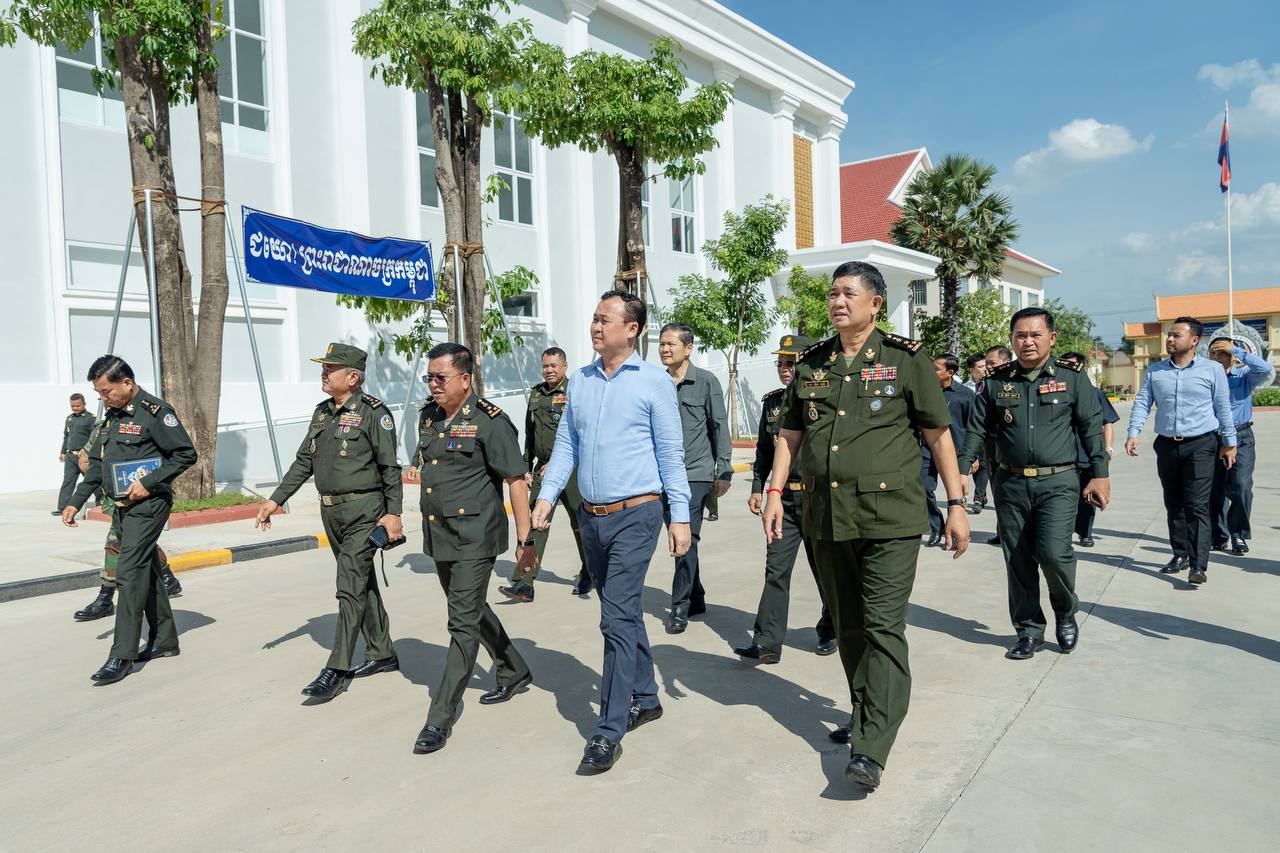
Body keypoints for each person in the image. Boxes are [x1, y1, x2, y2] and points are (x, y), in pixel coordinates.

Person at [762, 261, 969, 792]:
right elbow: (790, 434)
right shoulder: (813, 363)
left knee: (882, 626)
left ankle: (871, 747)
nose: (837, 301)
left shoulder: (905, 359)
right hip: (827, 517)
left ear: (875, 303)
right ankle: (865, 711)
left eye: (848, 293)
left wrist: (955, 503)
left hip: (890, 518)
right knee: (849, 626)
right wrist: (775, 491)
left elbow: (938, 434)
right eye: (833, 293)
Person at [534, 289, 692, 774]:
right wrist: (546, 495)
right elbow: (566, 445)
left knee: (615, 617)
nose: (596, 326)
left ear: (632, 328)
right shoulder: (581, 382)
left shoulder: (653, 382)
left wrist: (680, 516)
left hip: (637, 515)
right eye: (594, 318)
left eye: (605, 319)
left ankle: (609, 728)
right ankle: (646, 694)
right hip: (591, 517)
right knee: (620, 613)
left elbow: (671, 453)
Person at [255, 343, 403, 701]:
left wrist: (394, 513)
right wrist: (276, 499)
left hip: (364, 511)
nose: (323, 373)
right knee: (360, 582)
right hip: (331, 512)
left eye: (330, 368)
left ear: (352, 378)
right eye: (323, 367)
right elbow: (303, 462)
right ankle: (382, 652)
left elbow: (389, 467)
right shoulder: (322, 412)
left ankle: (336, 669)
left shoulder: (374, 413)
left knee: (348, 585)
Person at [959, 311, 1109, 661]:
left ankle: (1065, 610)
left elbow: (1091, 427)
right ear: (1012, 340)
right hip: (1010, 483)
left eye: (1035, 335)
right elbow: (977, 429)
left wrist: (1100, 474)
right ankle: (1029, 630)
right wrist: (962, 470)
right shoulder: (996, 382)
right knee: (1018, 559)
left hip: (1058, 481)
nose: (1027, 342)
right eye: (1020, 335)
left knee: (1054, 554)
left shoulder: (1072, 379)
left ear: (1051, 338)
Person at [411, 343, 537, 755]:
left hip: (476, 537)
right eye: (429, 377)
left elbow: (515, 481)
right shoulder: (429, 417)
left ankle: (440, 717)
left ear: (465, 380)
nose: (433, 384)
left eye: (440, 377)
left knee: (461, 624)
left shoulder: (490, 422)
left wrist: (525, 541)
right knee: (470, 609)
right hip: (441, 535)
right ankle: (513, 669)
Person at [61, 356, 197, 685]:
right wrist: (75, 502)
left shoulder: (155, 412)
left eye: (106, 391)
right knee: (146, 570)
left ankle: (122, 654)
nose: (103, 398)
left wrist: (148, 482)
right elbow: (97, 466)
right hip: (121, 506)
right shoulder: (112, 415)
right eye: (98, 393)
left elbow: (185, 453)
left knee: (128, 572)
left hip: (149, 504)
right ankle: (164, 640)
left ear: (127, 383)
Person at [734, 333, 835, 664]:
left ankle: (830, 628)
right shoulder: (773, 403)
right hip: (785, 501)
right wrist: (757, 487)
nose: (784, 368)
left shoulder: (827, 399)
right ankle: (767, 641)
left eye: (791, 362)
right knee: (776, 570)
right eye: (780, 363)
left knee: (826, 572)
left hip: (820, 500)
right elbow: (765, 451)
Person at [1126, 317, 1236, 585]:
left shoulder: (1212, 370)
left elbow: (1223, 407)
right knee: (1173, 503)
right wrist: (1133, 432)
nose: (1170, 339)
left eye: (1176, 335)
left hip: (1201, 444)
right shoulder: (1155, 371)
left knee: (1196, 505)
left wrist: (1229, 442)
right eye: (1169, 335)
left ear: (1194, 340)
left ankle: (1198, 565)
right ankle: (1180, 554)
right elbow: (1143, 402)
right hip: (1166, 445)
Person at [657, 322, 732, 633]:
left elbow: (719, 425)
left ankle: (680, 605)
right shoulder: (656, 382)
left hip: (695, 473)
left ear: (688, 349)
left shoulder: (706, 381)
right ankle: (696, 595)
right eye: (662, 344)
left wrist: (723, 469)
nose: (664, 349)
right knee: (684, 537)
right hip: (663, 474)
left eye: (671, 344)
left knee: (684, 536)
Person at [499, 347, 590, 602]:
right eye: (545, 366)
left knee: (580, 523)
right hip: (542, 469)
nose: (549, 370)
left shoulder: (576, 391)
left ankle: (589, 571)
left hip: (572, 468)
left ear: (564, 366)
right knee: (535, 522)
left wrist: (564, 461)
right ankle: (525, 581)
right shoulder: (537, 393)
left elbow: (584, 432)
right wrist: (525, 467)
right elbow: (530, 433)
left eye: (553, 366)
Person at [71, 417, 183, 621]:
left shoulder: (145, 422)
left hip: (144, 498)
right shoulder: (103, 427)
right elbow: (86, 460)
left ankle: (105, 598)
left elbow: (172, 457)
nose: (107, 402)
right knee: (136, 542)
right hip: (117, 500)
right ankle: (167, 577)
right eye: (103, 400)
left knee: (115, 544)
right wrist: (103, 471)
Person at [1207, 336, 1270, 555]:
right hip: (1213, 437)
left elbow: (1265, 369)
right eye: (1214, 353)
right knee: (1215, 489)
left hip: (1241, 436)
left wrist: (1236, 349)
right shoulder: (1205, 377)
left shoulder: (1244, 376)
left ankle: (1238, 534)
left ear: (1233, 357)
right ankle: (1219, 535)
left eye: (1224, 352)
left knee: (1241, 485)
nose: (1219, 357)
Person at [1057, 352, 1119, 548]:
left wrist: (1107, 448)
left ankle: (1085, 533)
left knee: (1087, 497)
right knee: (1063, 498)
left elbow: (1107, 422)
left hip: (1087, 454)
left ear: (1081, 368)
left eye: (1071, 365)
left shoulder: (1095, 393)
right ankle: (1063, 534)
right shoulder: (1056, 392)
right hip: (1062, 455)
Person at [920, 353, 975, 548]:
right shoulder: (925, 392)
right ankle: (936, 527)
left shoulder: (965, 395)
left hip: (957, 452)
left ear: (949, 373)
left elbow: (973, 427)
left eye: (936, 369)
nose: (931, 372)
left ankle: (958, 528)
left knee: (957, 494)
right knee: (924, 488)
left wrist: (974, 456)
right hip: (927, 449)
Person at [973, 345, 1012, 535]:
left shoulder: (1016, 382)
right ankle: (1002, 531)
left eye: (991, 363)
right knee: (997, 489)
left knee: (1011, 491)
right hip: (991, 446)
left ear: (1006, 362)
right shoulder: (986, 384)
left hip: (1011, 447)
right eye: (985, 363)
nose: (987, 367)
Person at [55, 393, 96, 515]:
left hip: (84, 456)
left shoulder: (90, 419)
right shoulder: (69, 419)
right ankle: (63, 508)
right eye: (73, 406)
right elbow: (66, 437)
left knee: (92, 479)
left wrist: (88, 453)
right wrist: (63, 452)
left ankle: (101, 502)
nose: (75, 408)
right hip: (70, 456)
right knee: (68, 481)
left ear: (84, 404)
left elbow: (93, 438)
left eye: (78, 405)